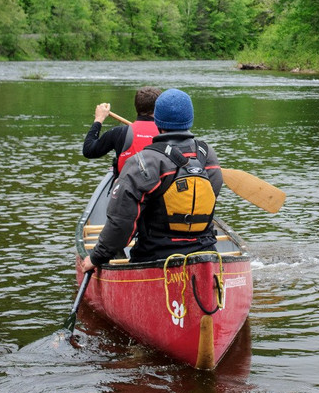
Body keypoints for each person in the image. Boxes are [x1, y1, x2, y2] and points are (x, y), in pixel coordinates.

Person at [82, 88, 224, 272]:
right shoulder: (207, 154)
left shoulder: (143, 161)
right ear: (190, 119)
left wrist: (96, 257)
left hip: (154, 257)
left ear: (158, 120)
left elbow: (121, 223)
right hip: (205, 256)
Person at [82, 86, 162, 177]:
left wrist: (98, 119)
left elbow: (88, 150)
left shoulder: (119, 133)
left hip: (127, 188)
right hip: (161, 188)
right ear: (160, 108)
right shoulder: (167, 132)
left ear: (136, 106)